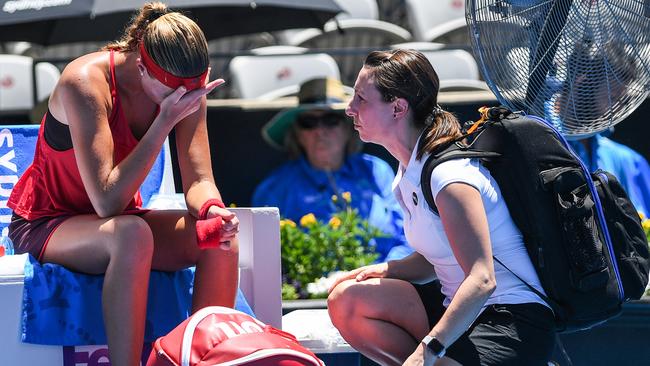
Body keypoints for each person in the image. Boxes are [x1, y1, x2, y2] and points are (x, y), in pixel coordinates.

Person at [6, 3, 239, 365]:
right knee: (131, 235)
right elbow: (106, 202)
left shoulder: (184, 86)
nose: (184, 103)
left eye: (191, 96)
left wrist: (213, 210)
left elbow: (200, 180)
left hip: (114, 224)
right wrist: (164, 123)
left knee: (220, 237)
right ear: (143, 67)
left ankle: (209, 358)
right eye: (172, 95)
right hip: (47, 223)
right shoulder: (84, 81)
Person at [327, 49, 556, 365]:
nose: (349, 109)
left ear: (398, 108)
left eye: (361, 99)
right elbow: (436, 258)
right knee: (347, 301)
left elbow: (482, 279)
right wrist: (384, 270)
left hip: (511, 320)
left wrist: (426, 351)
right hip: (456, 311)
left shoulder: (450, 178)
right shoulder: (406, 172)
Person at [252, 77, 411, 262]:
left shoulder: (377, 171)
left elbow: (409, 236)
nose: (320, 131)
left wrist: (383, 274)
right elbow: (263, 258)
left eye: (330, 120)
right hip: (307, 289)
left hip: (383, 283)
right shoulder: (275, 189)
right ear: (297, 134)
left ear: (348, 128)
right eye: (309, 123)